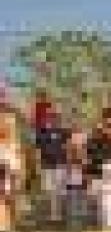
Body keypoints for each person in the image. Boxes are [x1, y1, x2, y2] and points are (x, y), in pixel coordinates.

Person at [32, 96, 70, 224]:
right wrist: (38, 165)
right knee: (49, 191)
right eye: (48, 114)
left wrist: (67, 162)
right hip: (47, 165)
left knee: (60, 191)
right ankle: (51, 216)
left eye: (53, 114)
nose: (51, 116)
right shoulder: (39, 132)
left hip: (60, 165)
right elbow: (37, 149)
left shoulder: (61, 130)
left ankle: (59, 217)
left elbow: (67, 146)